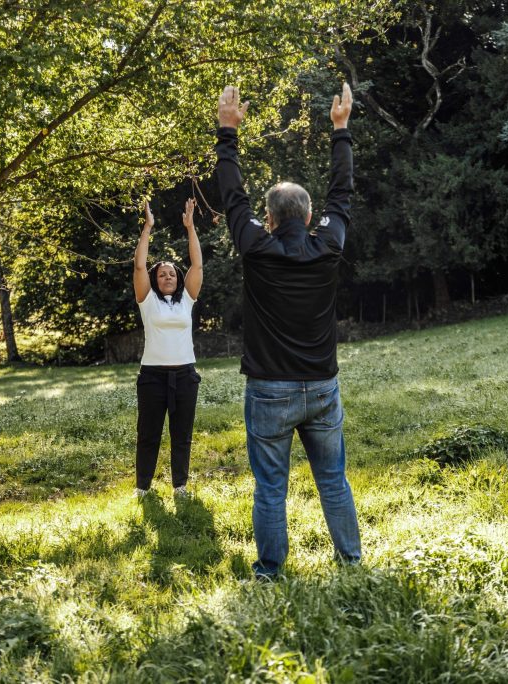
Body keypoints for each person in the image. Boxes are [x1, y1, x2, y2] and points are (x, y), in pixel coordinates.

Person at [214, 83, 361, 579]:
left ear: (271, 218)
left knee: (271, 487)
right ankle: (350, 562)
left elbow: (232, 197)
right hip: (321, 385)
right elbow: (342, 196)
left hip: (270, 389)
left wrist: (227, 133)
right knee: (333, 481)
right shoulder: (329, 246)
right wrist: (340, 131)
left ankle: (271, 572)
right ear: (309, 214)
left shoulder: (257, 248)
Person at [132, 198, 204, 498]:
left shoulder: (186, 300)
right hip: (152, 377)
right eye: (162, 274)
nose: (168, 277)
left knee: (181, 435)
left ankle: (180, 486)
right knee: (148, 435)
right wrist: (147, 227)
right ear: (154, 279)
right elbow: (138, 264)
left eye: (172, 273)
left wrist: (190, 227)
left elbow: (197, 264)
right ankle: (143, 488)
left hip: (185, 376)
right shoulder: (147, 301)